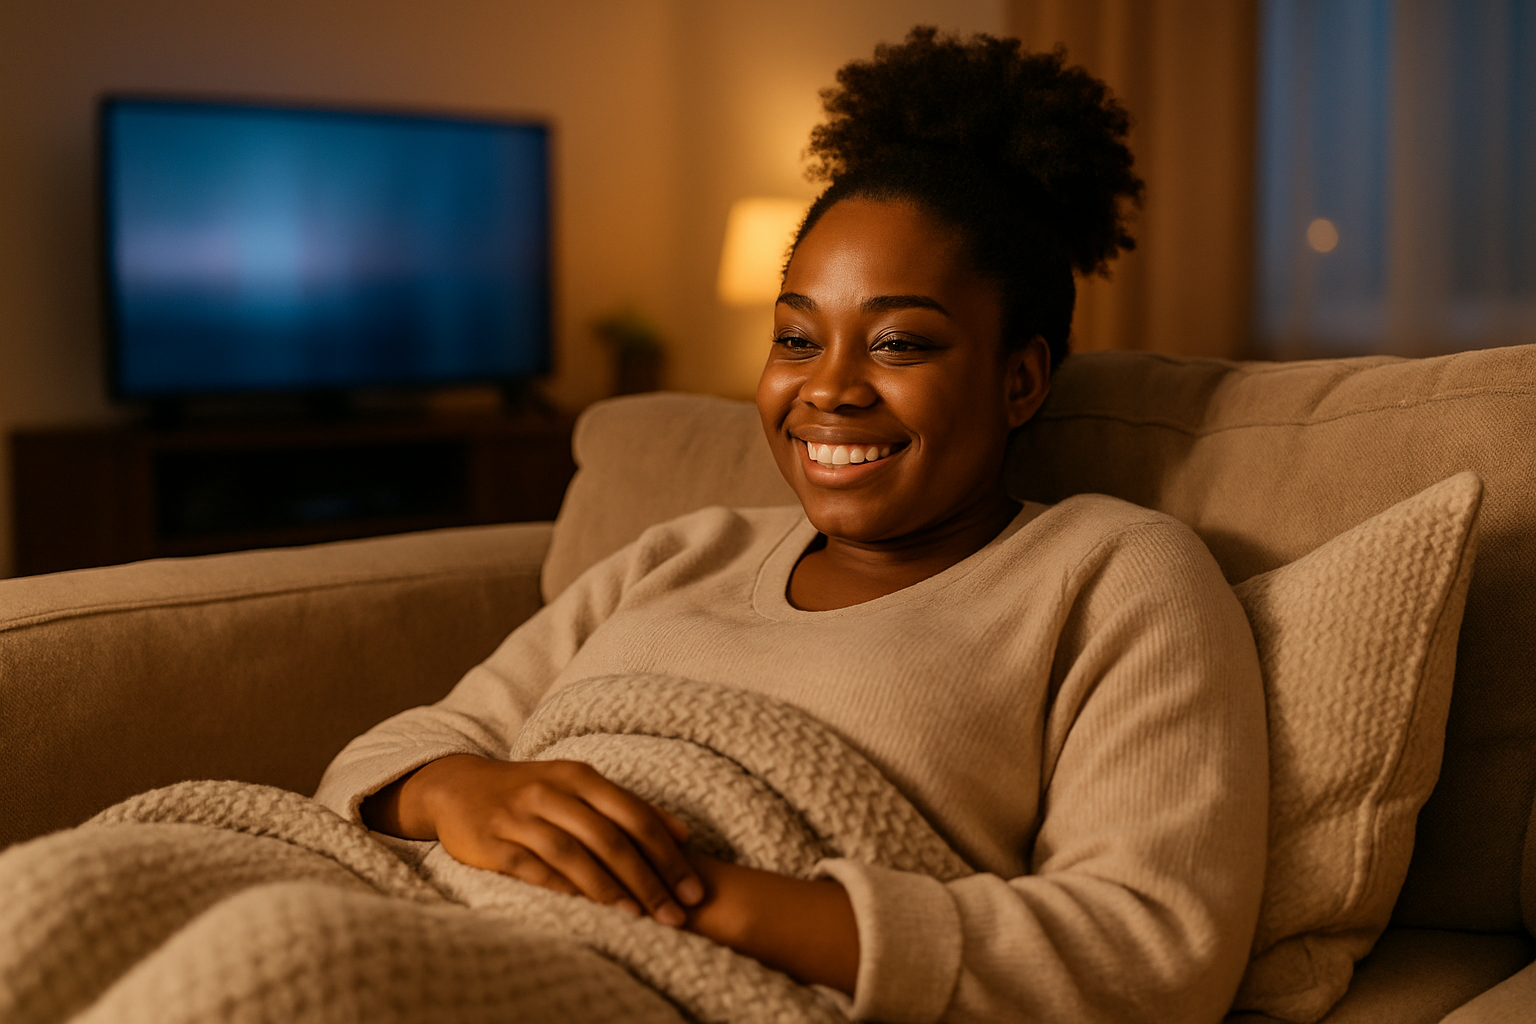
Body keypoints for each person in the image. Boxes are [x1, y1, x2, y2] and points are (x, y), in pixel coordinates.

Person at [318, 27, 1269, 1023]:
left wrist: (695, 896)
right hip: (452, 923)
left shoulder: (1112, 574)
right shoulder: (686, 550)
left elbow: (1150, 951)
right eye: (796, 337)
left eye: (898, 341)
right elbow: (395, 752)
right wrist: (460, 793)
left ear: (1020, 378)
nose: (829, 388)